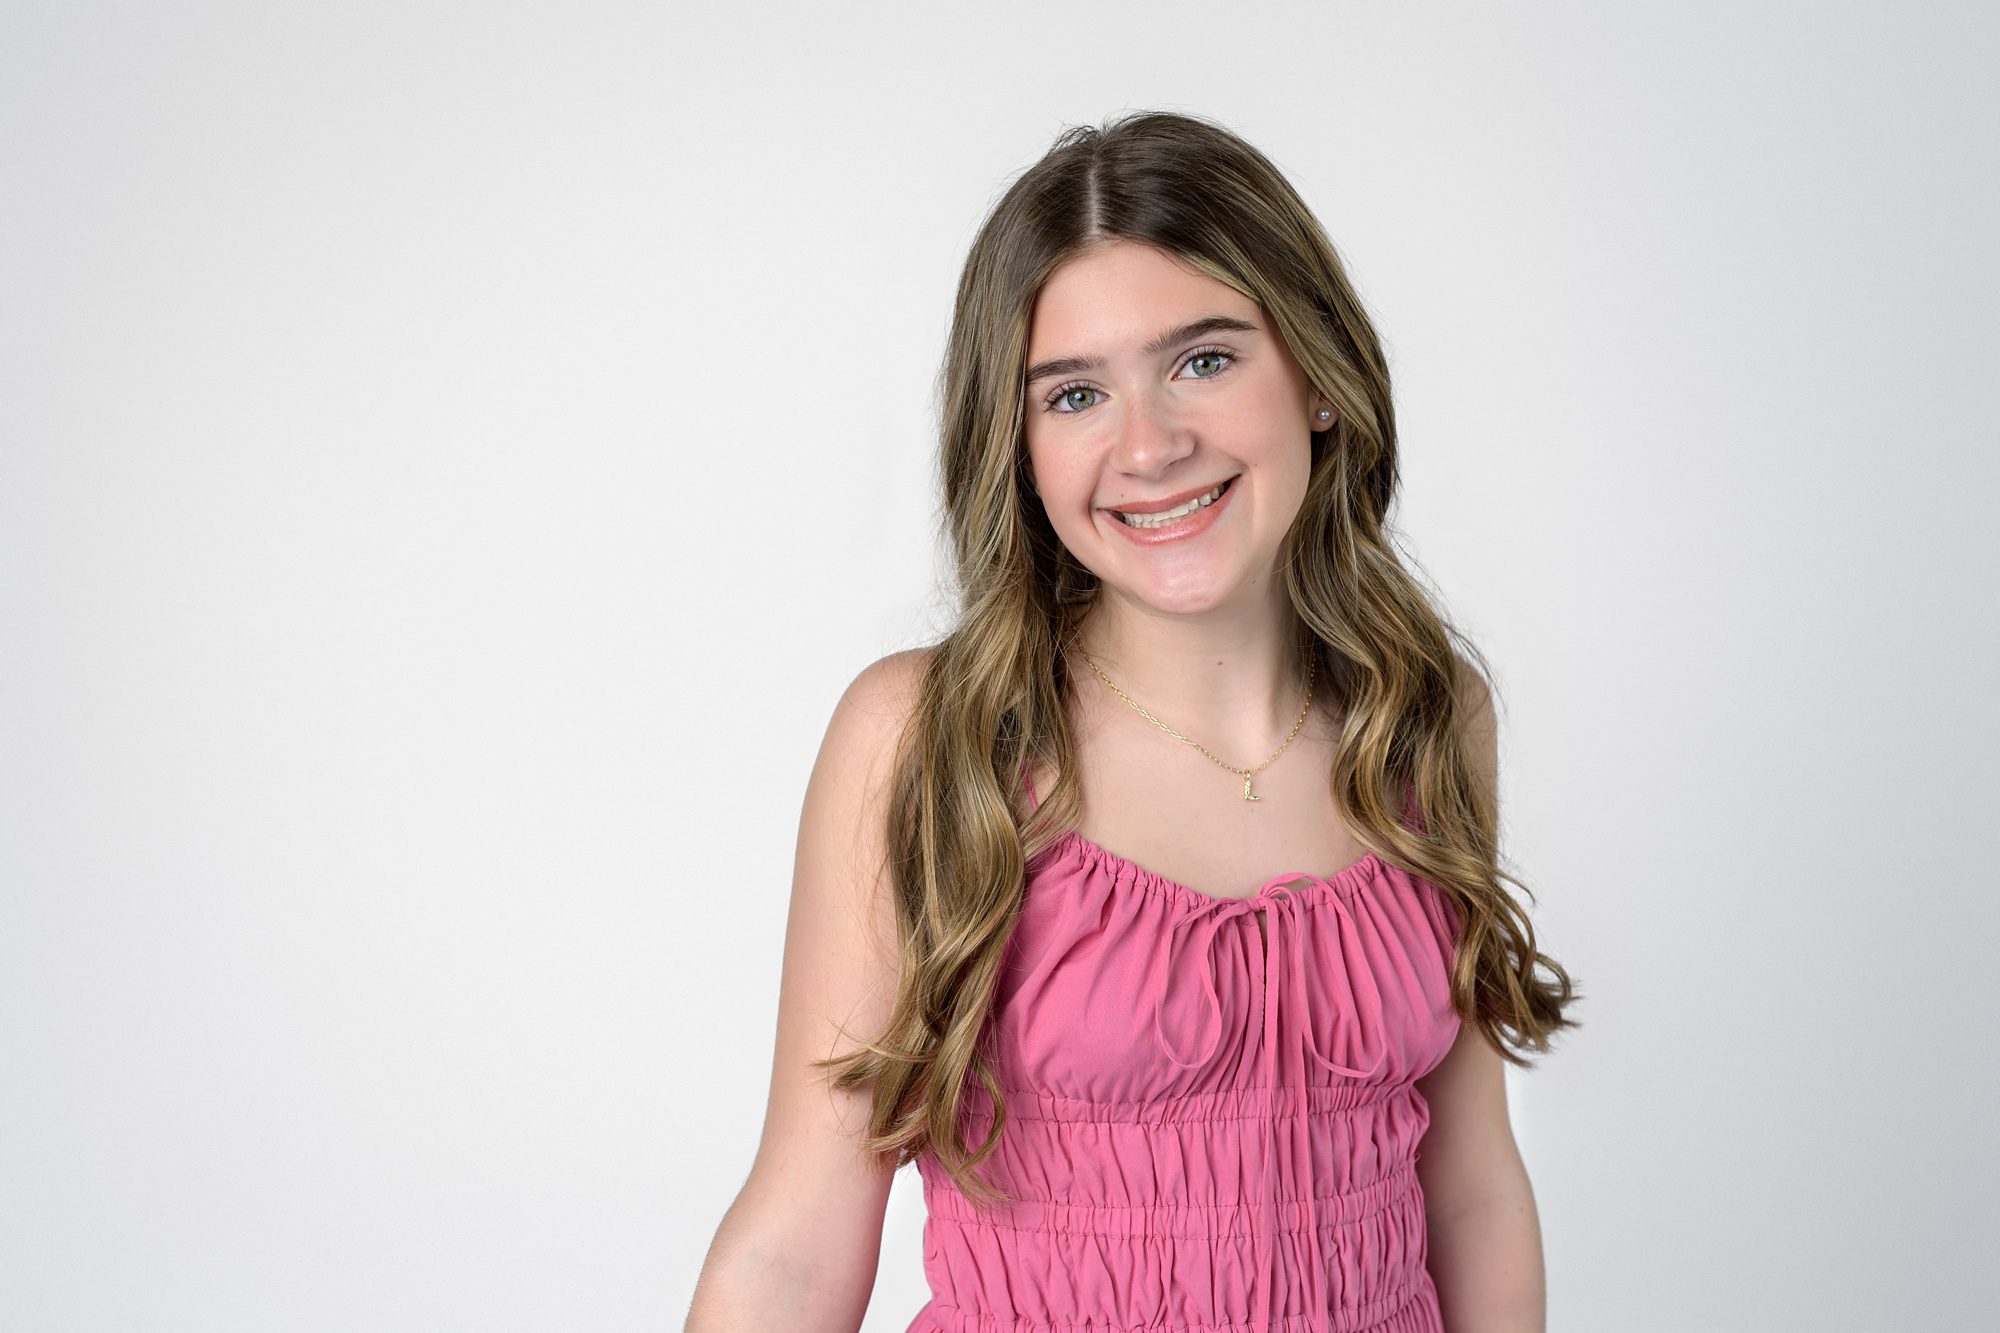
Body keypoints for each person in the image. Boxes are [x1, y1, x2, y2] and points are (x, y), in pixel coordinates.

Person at [685, 109, 1580, 1333]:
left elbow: (1472, 1193)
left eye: (1202, 361)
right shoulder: (926, 742)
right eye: (1073, 396)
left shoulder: (1421, 720)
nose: (1148, 446)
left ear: (1315, 378)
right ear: (1020, 447)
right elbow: (792, 1248)